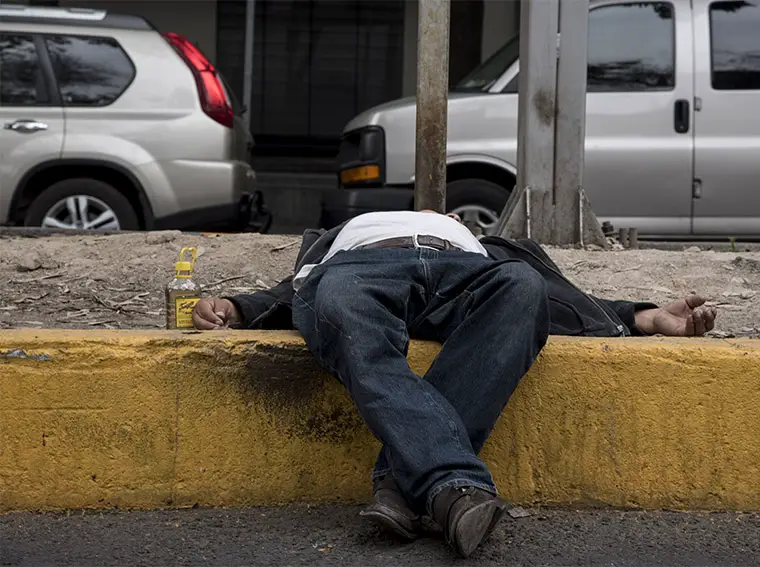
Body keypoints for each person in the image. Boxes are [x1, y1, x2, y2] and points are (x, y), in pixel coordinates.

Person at [192, 211, 717, 557]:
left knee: (523, 285)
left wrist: (644, 317)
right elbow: (298, 287)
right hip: (362, 267)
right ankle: (453, 488)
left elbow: (560, 300)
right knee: (343, 309)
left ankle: (403, 483)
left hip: (463, 271)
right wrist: (239, 307)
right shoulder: (350, 232)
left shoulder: (480, 242)